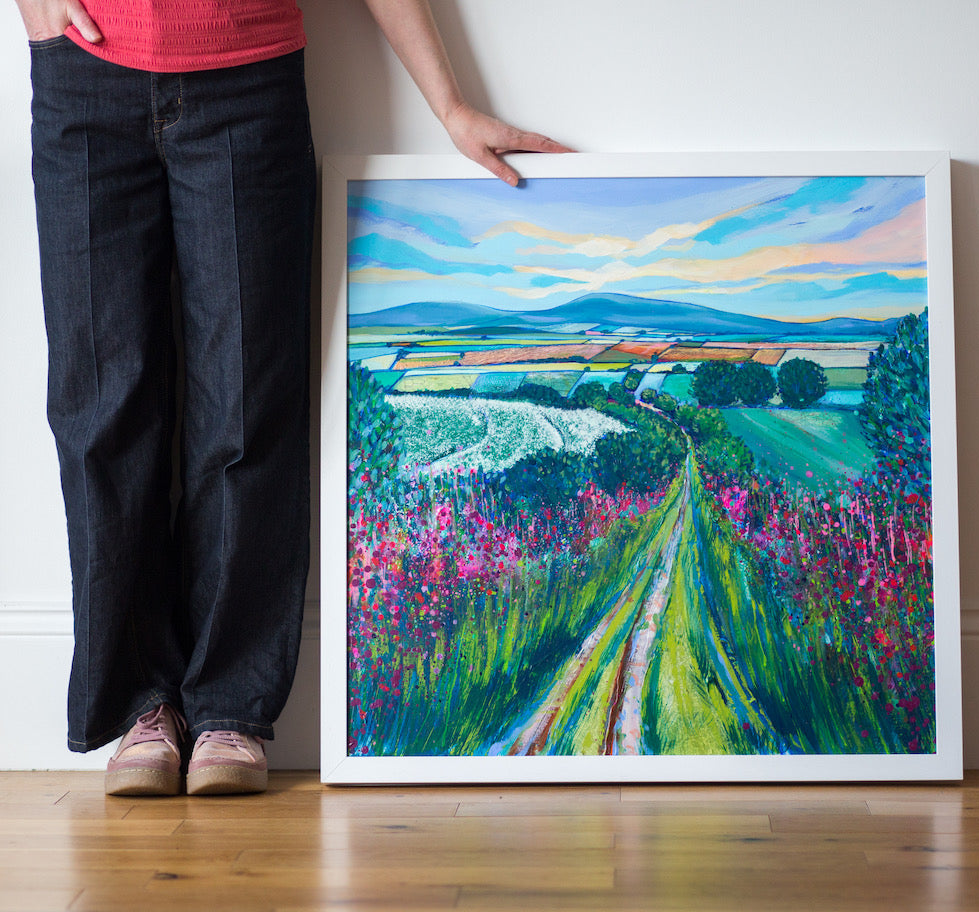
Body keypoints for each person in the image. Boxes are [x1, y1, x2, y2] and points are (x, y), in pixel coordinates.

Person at [14, 0, 569, 796]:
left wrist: (449, 105)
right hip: (82, 75)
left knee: (246, 407)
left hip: (247, 83)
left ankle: (229, 708)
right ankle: (141, 704)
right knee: (101, 407)